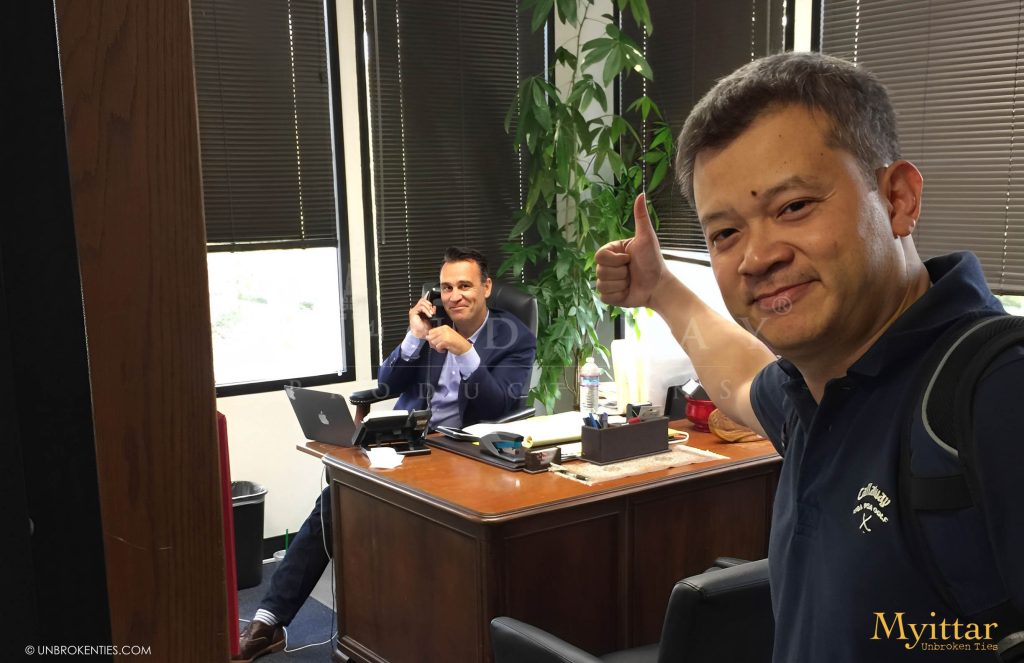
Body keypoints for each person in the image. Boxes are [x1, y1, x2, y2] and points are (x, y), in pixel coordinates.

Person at [596, 52, 1023, 662]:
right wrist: (660, 289)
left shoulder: (996, 391)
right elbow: (742, 379)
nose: (756, 257)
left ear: (898, 199)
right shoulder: (817, 388)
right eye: (726, 233)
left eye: (793, 206)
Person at [235, 247, 536, 662]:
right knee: (336, 503)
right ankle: (269, 621)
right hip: (406, 442)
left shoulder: (514, 337)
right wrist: (414, 336)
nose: (454, 296)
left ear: (486, 287)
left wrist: (465, 351)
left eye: (465, 285)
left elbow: (498, 405)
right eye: (447, 287)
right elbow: (387, 384)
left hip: (463, 455)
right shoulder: (434, 325)